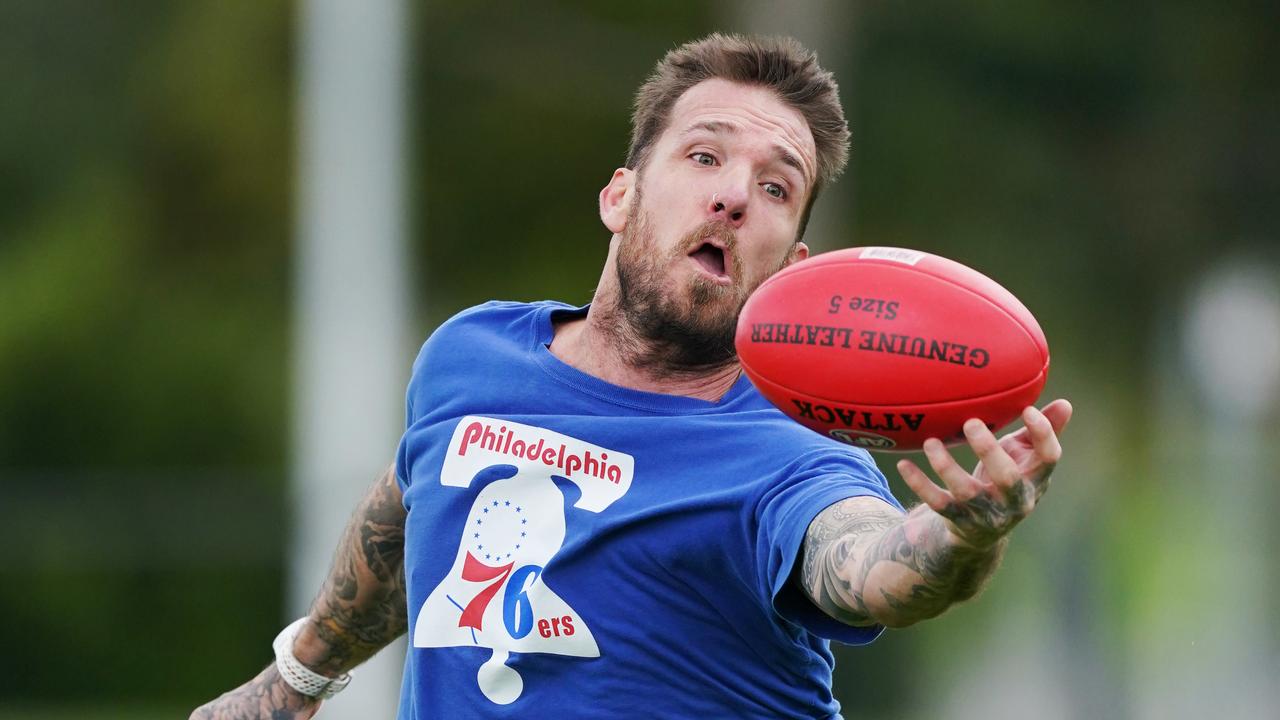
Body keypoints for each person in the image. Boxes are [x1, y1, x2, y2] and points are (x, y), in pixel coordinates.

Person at [191, 33, 1071, 720]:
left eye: (776, 187)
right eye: (704, 157)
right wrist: (296, 677)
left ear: (795, 266)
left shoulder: (786, 456)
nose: (733, 195)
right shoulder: (470, 356)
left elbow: (867, 563)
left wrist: (961, 539)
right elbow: (410, 507)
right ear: (620, 196)